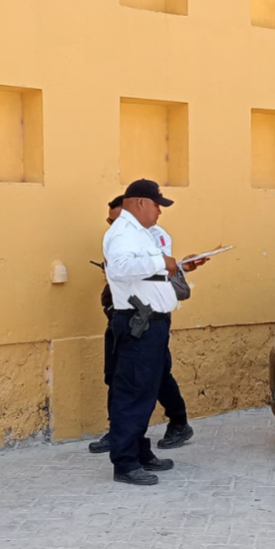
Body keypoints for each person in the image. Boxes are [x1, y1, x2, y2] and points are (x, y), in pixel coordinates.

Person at [89, 194, 199, 453]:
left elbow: (158, 273)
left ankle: (174, 423)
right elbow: (127, 270)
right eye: (111, 219)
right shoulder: (121, 235)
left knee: (154, 377)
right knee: (119, 378)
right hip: (124, 314)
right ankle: (123, 438)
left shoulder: (155, 235)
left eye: (116, 217)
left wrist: (179, 265)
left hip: (148, 317)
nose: (114, 223)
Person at [102, 179, 190, 485]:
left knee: (146, 391)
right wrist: (161, 262)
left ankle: (139, 452)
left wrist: (175, 266)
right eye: (157, 205)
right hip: (139, 323)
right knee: (133, 392)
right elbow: (120, 268)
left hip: (153, 323)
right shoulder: (123, 233)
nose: (159, 213)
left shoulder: (140, 233)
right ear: (140, 202)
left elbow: (148, 273)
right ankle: (125, 462)